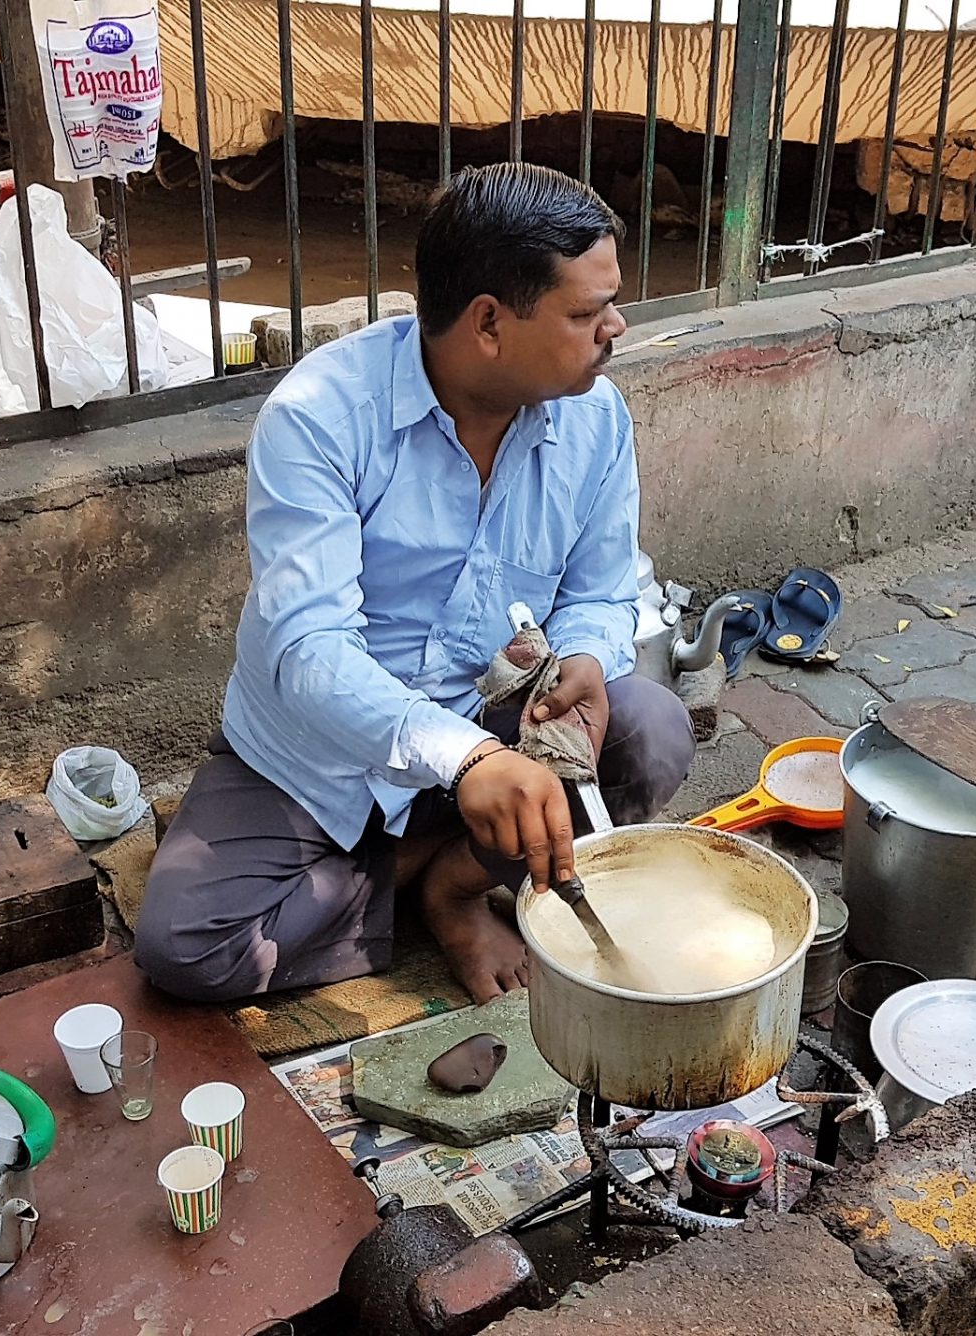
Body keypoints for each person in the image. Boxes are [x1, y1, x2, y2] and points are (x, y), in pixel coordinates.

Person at [136, 163, 695, 1004]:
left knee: (652, 730)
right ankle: (428, 867)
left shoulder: (596, 417)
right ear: (488, 325)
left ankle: (458, 885)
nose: (615, 326)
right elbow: (310, 650)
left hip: (489, 719)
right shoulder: (318, 417)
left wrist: (583, 651)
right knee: (187, 950)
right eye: (585, 312)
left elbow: (602, 584)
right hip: (317, 754)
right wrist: (466, 760)